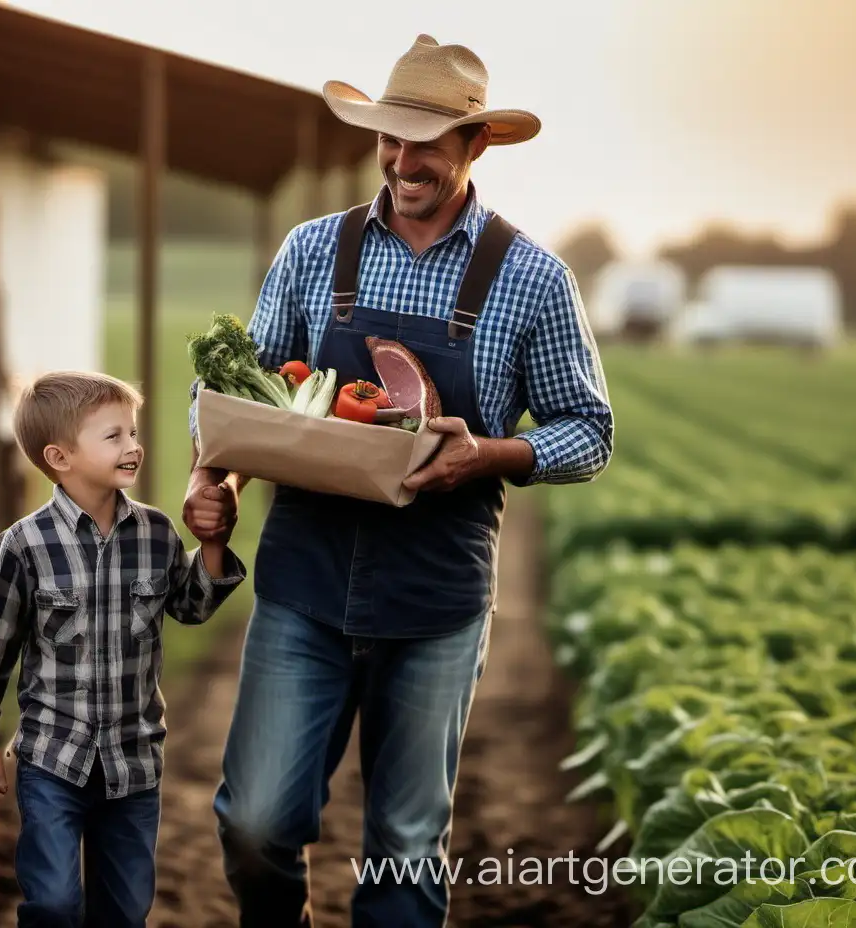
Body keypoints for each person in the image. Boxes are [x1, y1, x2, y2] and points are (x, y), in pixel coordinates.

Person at [182, 34, 614, 928]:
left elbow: (591, 431)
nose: (403, 159)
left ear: (475, 145)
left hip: (437, 597)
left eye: (426, 141)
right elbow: (231, 395)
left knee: (405, 852)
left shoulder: (532, 278)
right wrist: (209, 469)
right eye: (390, 136)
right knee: (254, 822)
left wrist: (490, 454)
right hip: (303, 583)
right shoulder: (313, 251)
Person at [0, 371, 247, 928]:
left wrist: (212, 543)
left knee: (125, 909)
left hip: (133, 762)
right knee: (55, 904)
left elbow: (191, 606)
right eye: (113, 436)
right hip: (51, 760)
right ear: (59, 457)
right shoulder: (25, 545)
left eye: (133, 433)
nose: (133, 446)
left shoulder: (158, 535)